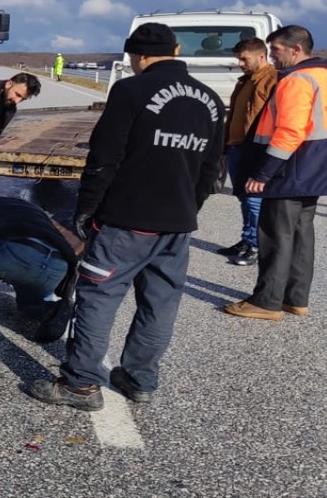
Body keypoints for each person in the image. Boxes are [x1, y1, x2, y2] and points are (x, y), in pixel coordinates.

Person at [29, 23, 224, 411]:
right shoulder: (210, 99)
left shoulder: (131, 89)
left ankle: (81, 384)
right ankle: (140, 379)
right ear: (177, 49)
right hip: (178, 224)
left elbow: (105, 158)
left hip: (127, 220)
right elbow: (212, 169)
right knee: (159, 304)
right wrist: (188, 207)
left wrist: (86, 208)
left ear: (137, 55)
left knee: (99, 298)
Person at [223, 25, 327, 322]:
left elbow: (289, 131)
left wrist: (263, 173)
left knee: (276, 237)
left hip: (291, 168)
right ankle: (296, 298)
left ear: (295, 49)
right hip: (315, 167)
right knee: (302, 235)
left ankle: (266, 302)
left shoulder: (296, 80)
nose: (273, 57)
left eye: (276, 50)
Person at [218, 38, 278, 266]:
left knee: (254, 200)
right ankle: (247, 239)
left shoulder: (272, 80)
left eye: (245, 58)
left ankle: (256, 245)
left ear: (261, 56)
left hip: (255, 148)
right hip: (237, 146)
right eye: (239, 58)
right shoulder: (245, 81)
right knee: (243, 197)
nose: (240, 63)